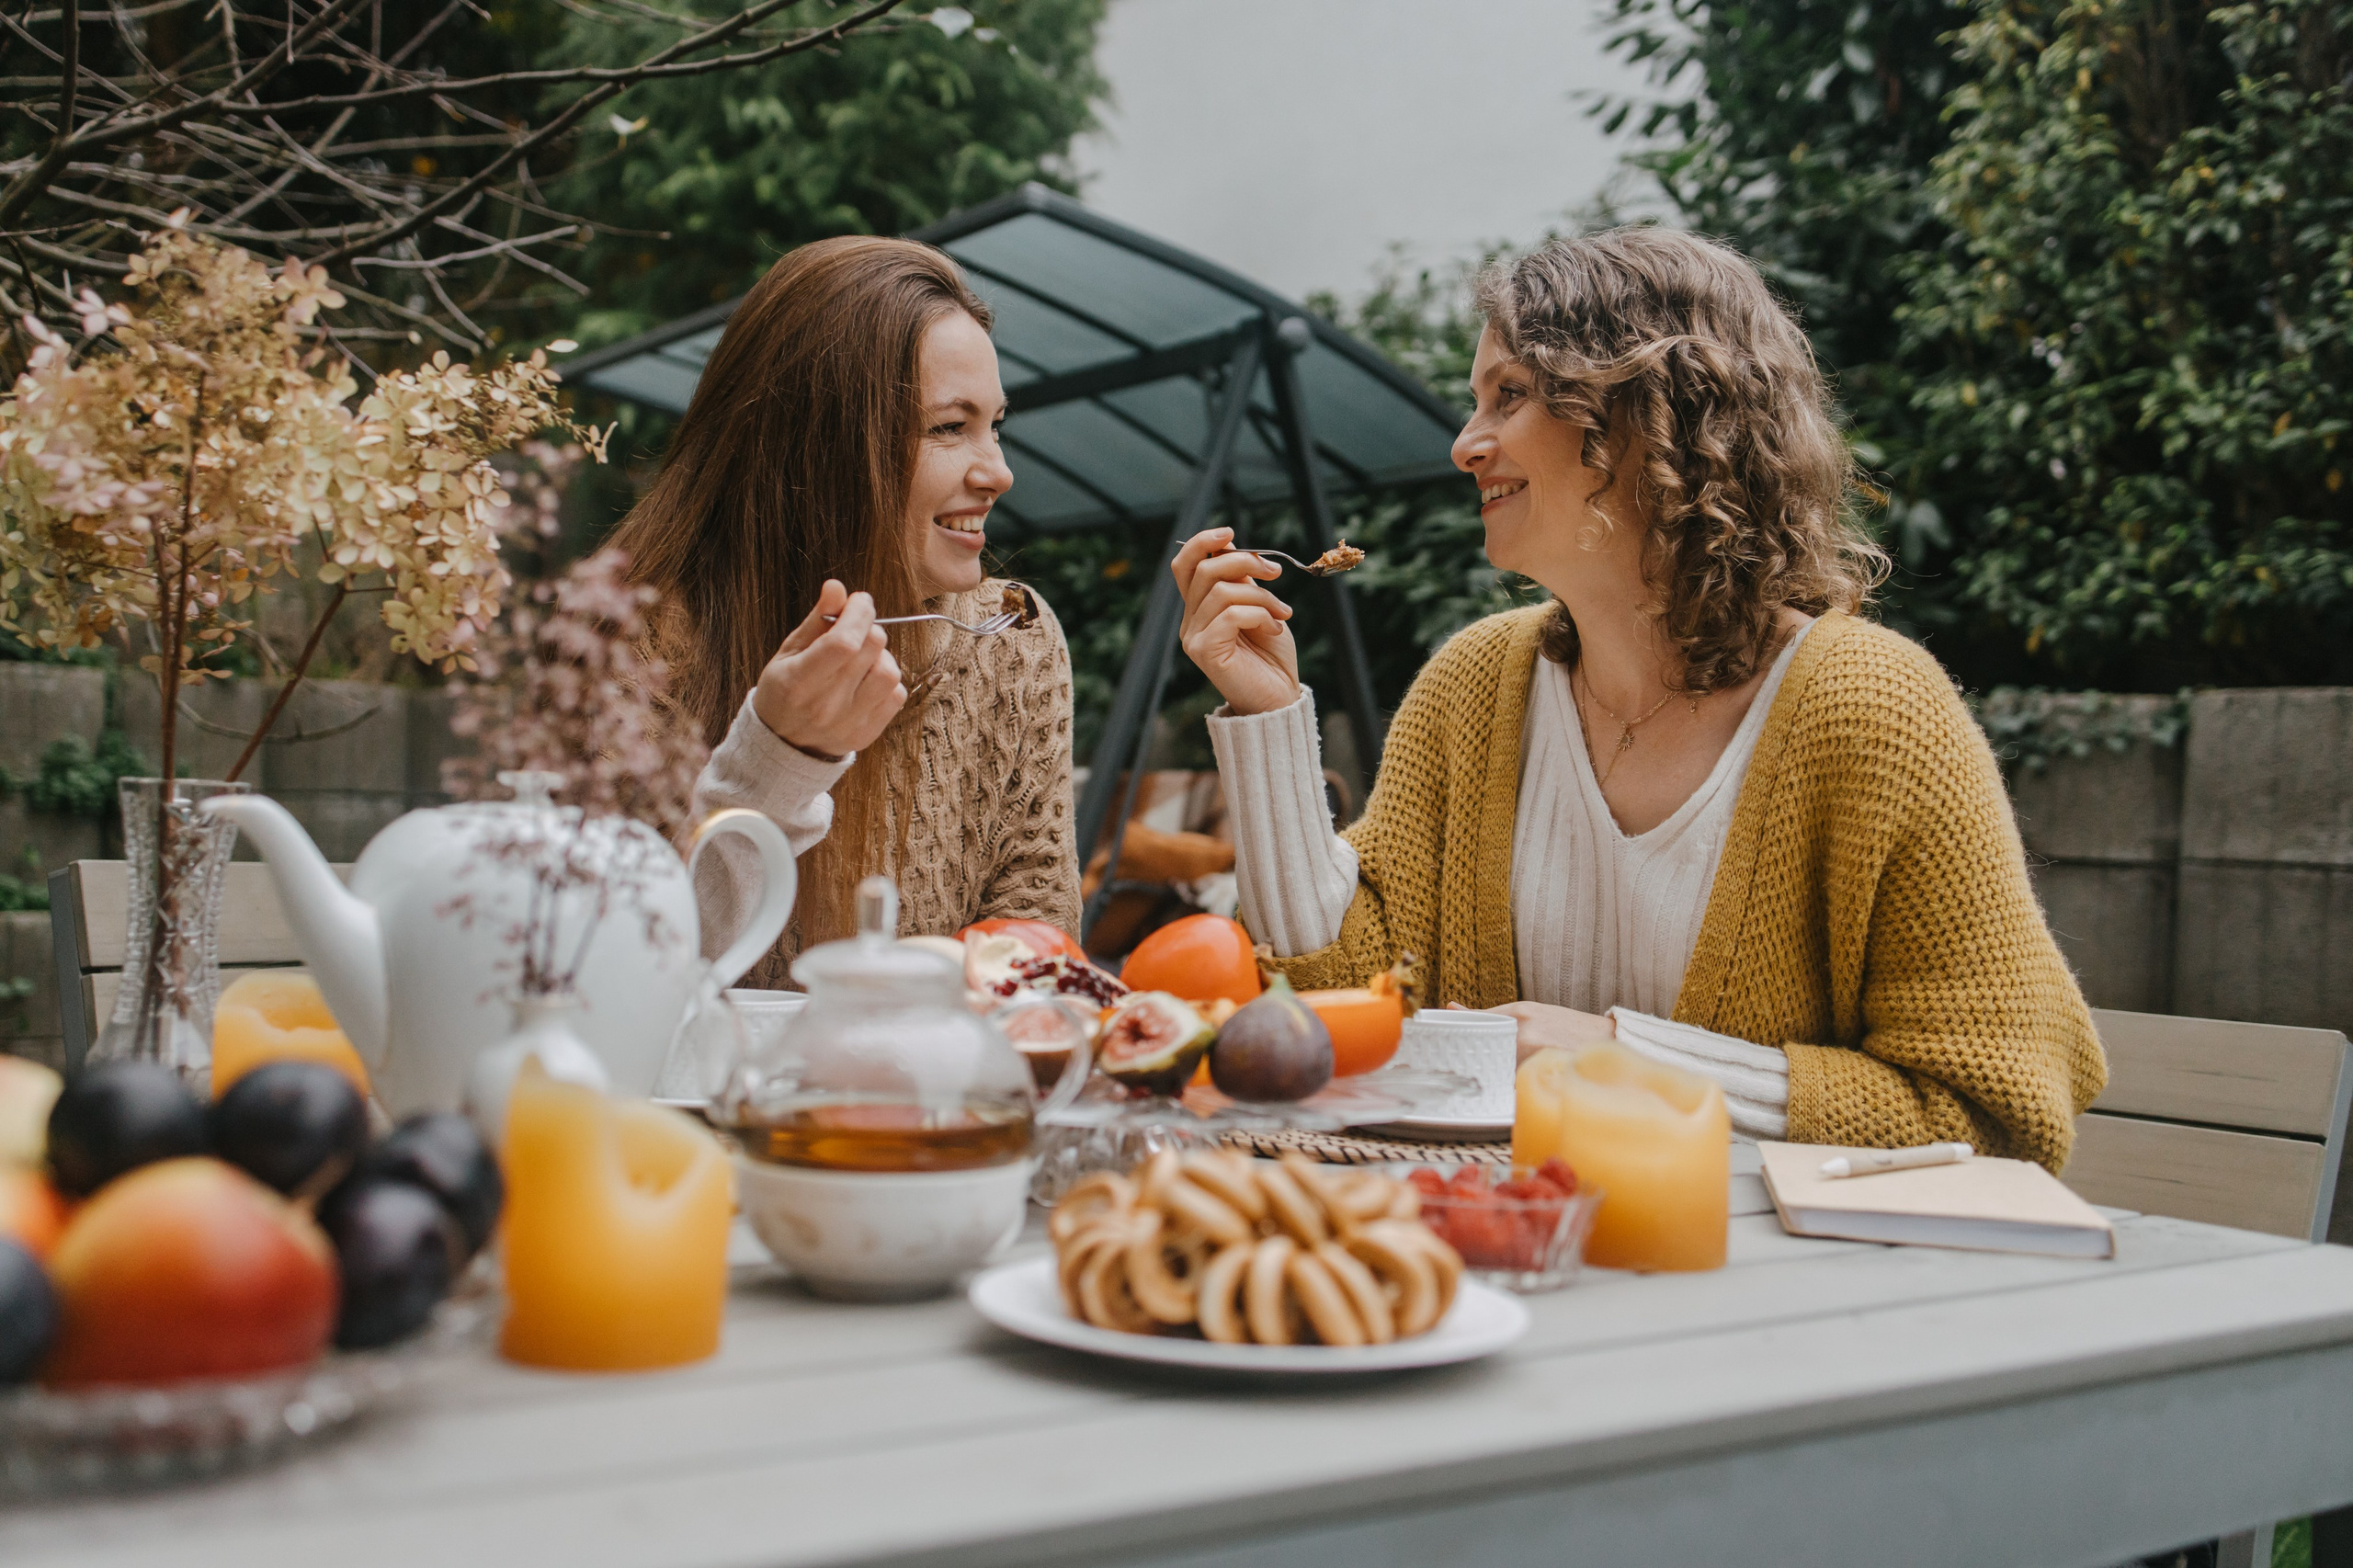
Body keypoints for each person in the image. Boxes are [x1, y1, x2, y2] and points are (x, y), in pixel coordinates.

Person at [1175, 226, 2104, 1170]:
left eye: (1510, 395)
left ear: (1652, 411)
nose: (1464, 446)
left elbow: (1992, 1108)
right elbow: (1329, 1008)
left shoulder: (1875, 711)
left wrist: (1628, 1058)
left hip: (1761, 1262)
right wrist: (1269, 717)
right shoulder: (1473, 688)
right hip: (1507, 1243)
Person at [609, 235, 1079, 981]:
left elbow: (1039, 965)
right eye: (948, 428)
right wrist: (776, 760)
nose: (999, 471)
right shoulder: (628, 651)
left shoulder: (1014, 641)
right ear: (818, 447)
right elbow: (612, 975)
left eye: (995, 424)